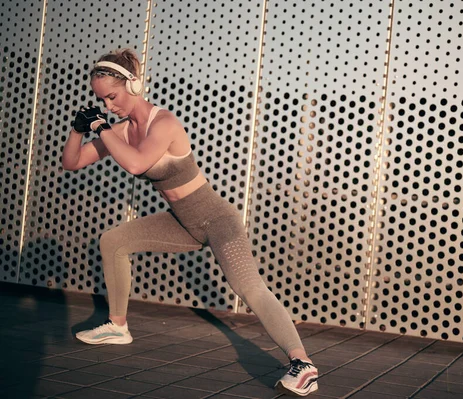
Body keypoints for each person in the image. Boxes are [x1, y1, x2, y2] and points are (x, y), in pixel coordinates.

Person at [61, 48, 318, 397]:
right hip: (181, 222)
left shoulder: (163, 123)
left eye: (112, 96)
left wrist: (101, 128)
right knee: (113, 241)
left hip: (216, 219)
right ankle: (117, 325)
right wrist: (78, 130)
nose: (108, 106)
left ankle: (302, 364)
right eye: (101, 100)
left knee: (248, 287)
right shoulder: (119, 130)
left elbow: (136, 164)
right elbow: (72, 162)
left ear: (133, 85)